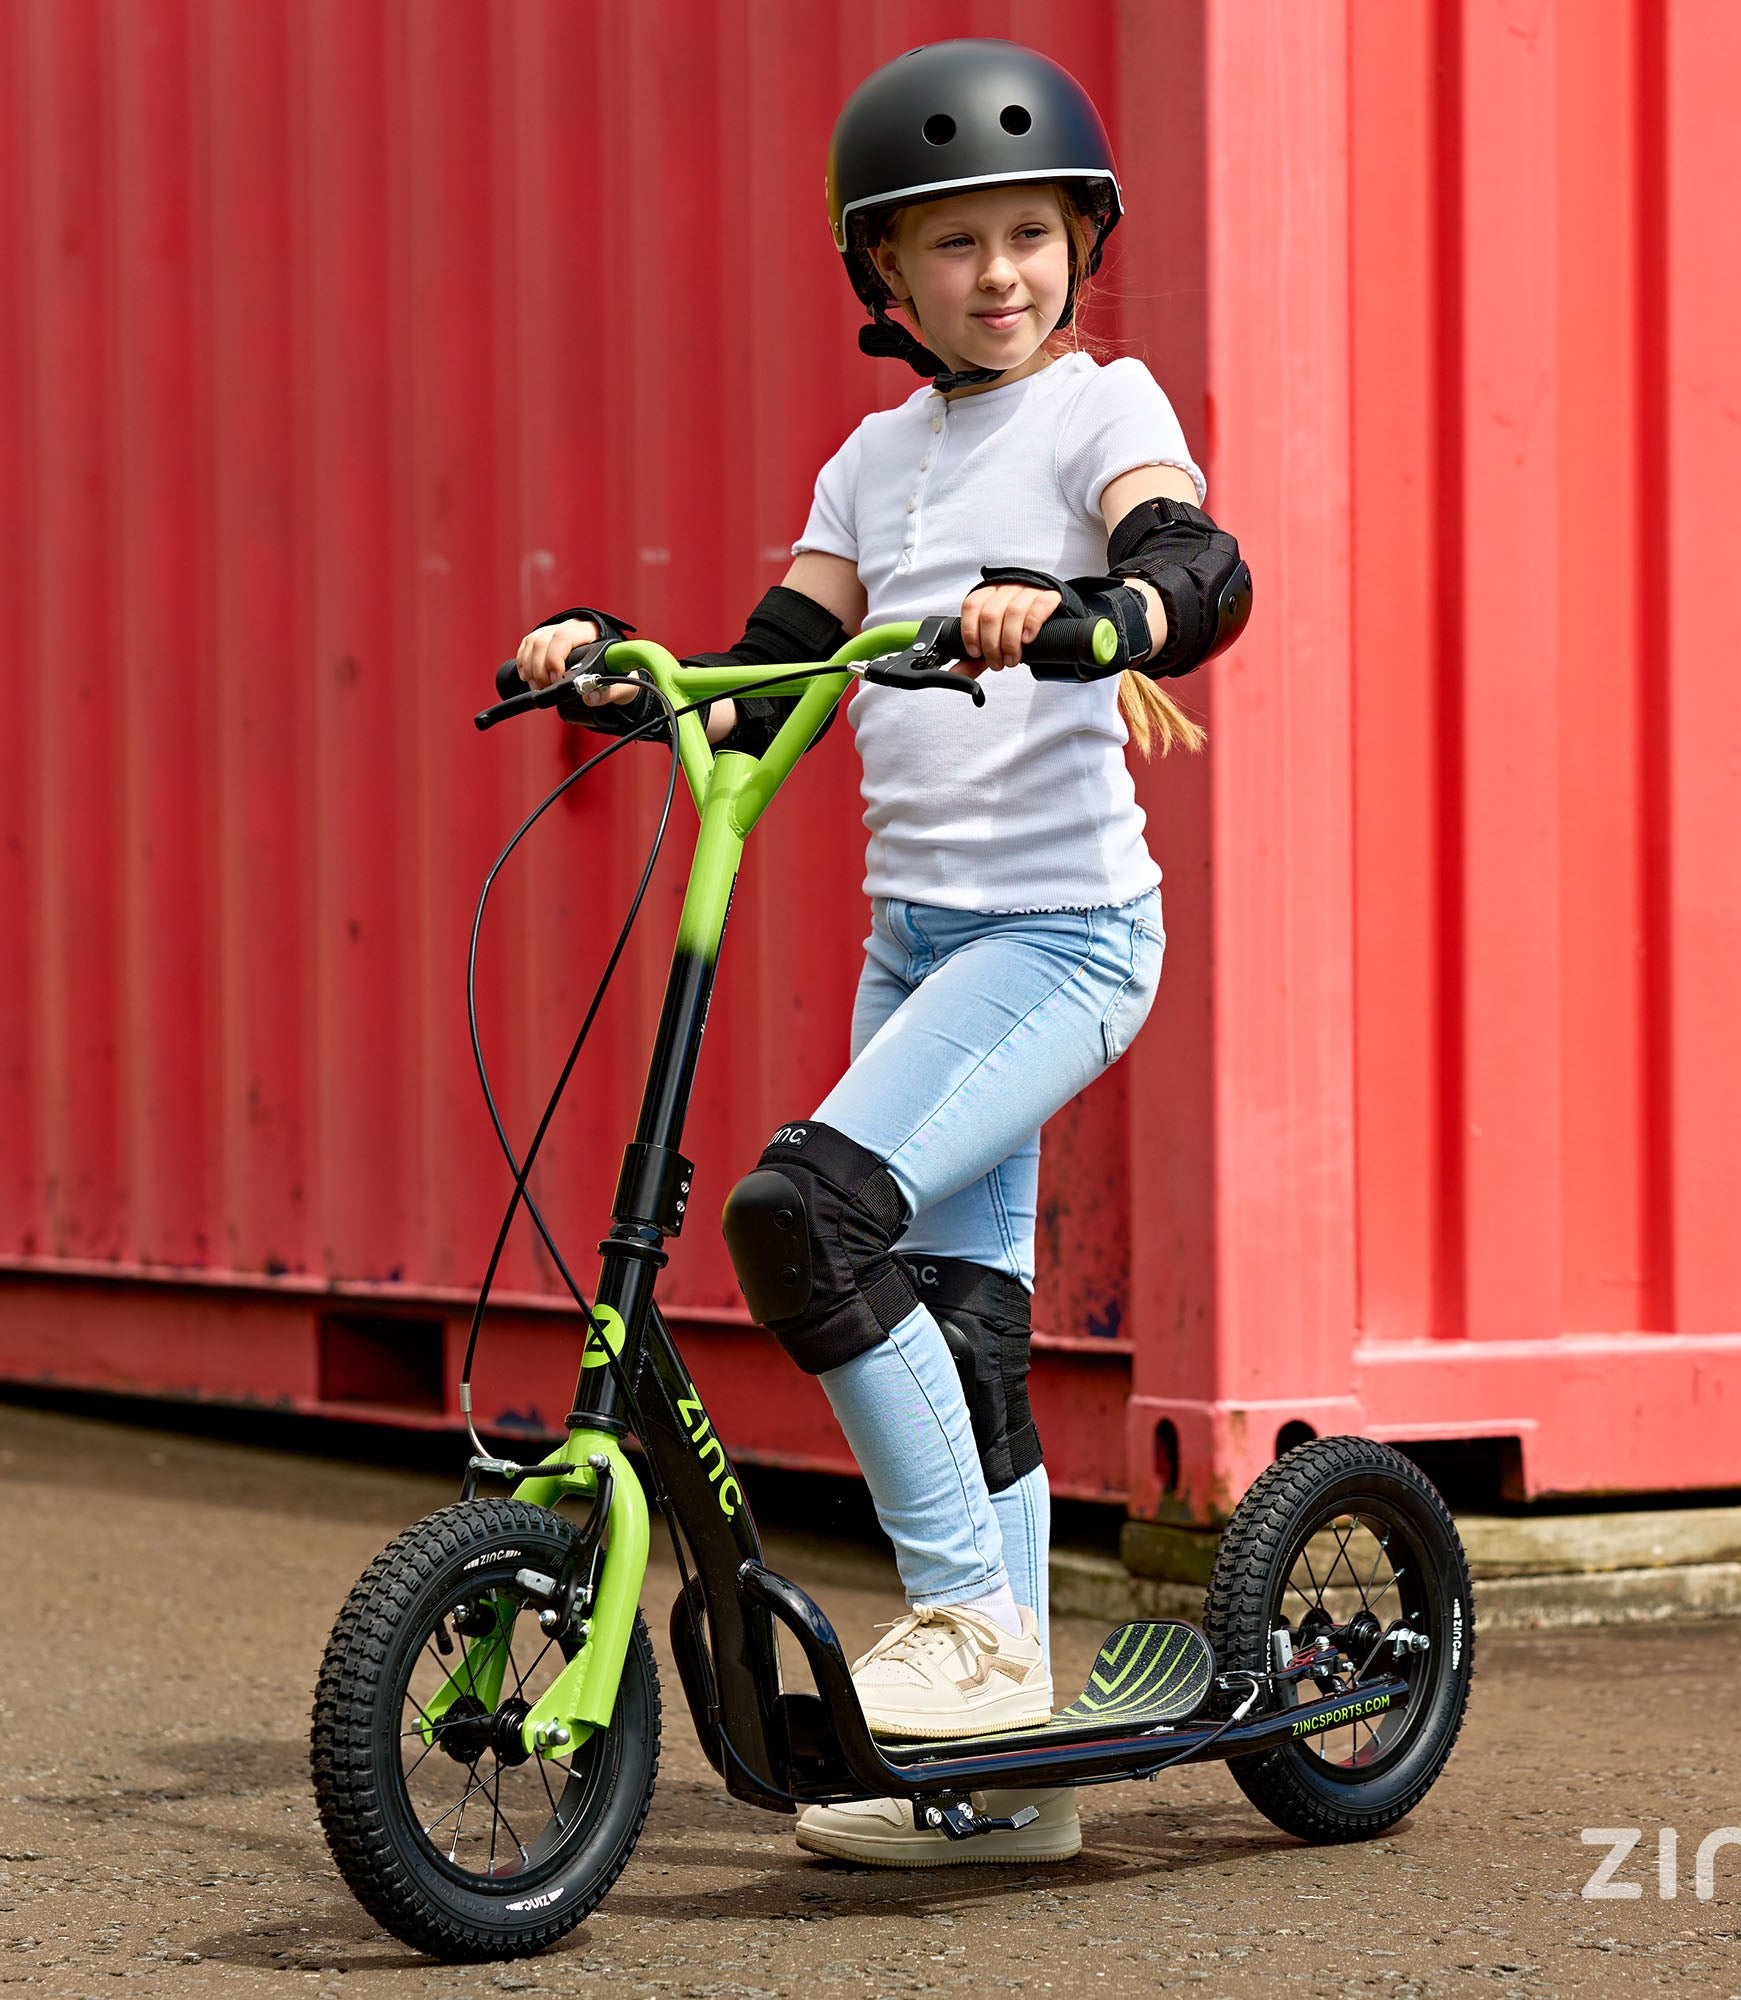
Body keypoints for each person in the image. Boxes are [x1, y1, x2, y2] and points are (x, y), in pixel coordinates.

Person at [514, 38, 1249, 1868]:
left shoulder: (1097, 410)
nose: (1002, 274)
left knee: (799, 1217)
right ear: (885, 276)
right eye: (956, 243)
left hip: (1065, 939)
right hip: (920, 946)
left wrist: (1094, 613)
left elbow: (1195, 562)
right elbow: (770, 674)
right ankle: (1007, 1791)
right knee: (962, 1314)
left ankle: (973, 1625)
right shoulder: (874, 461)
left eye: (1031, 235)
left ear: (1082, 245)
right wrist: (611, 667)